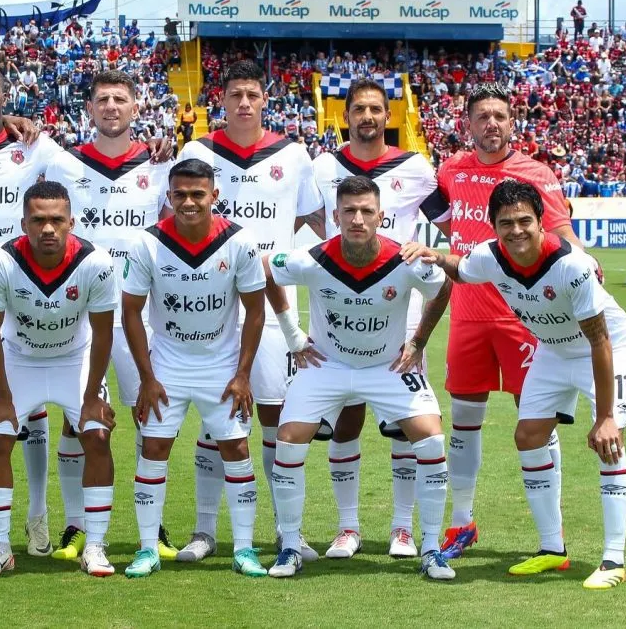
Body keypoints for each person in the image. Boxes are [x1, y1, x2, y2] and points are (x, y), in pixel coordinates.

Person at [0, 63, 171, 558]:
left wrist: (13, 121)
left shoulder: (49, 150)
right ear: (88, 109)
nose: (111, 109)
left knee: (122, 413)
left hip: (99, 301)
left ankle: (58, 517)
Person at [404, 179, 626, 590]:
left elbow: (599, 340)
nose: (516, 231)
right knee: (528, 436)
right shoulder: (490, 257)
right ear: (493, 226)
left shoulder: (572, 265)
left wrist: (604, 417)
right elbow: (462, 269)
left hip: (606, 350)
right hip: (553, 350)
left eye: (524, 221)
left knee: (609, 439)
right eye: (506, 223)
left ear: (541, 221)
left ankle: (613, 559)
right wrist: (436, 256)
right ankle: (552, 551)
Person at [263, 175, 456, 581]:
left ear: (381, 216)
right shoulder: (312, 258)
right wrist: (294, 336)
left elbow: (442, 288)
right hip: (327, 366)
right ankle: (290, 546)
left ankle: (433, 549)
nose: (357, 218)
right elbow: (268, 269)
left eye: (366, 211)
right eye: (349, 211)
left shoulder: (404, 261)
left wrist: (418, 341)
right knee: (288, 439)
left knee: (433, 438)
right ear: (335, 216)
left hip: (387, 367)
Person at [175, 60, 324, 564]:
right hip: (212, 302)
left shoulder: (293, 154)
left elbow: (309, 216)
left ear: (265, 100)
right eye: (235, 94)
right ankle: (204, 530)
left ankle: (288, 531)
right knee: (214, 415)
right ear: (222, 100)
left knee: (276, 413)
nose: (243, 102)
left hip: (274, 302)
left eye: (252, 94)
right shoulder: (197, 151)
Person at [432, 82, 581, 561]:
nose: (491, 124)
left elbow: (562, 235)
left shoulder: (536, 174)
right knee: (463, 422)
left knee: (537, 424)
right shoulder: (451, 169)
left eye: (499, 115)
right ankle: (461, 522)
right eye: (482, 116)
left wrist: (585, 268)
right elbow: (441, 216)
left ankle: (551, 538)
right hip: (469, 314)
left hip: (526, 319)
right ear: (468, 123)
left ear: (511, 122)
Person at [310, 78, 448, 559]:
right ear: (343, 115)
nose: (367, 116)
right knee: (346, 420)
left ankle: (403, 528)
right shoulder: (323, 166)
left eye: (375, 109)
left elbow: (451, 223)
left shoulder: (415, 167)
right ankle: (347, 528)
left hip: (401, 316)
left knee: (405, 425)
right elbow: (309, 220)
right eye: (358, 109)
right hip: (337, 314)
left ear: (388, 116)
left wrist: (435, 253)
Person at [44, 70, 175, 562]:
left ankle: (152, 525)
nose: (112, 107)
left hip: (142, 314)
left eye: (121, 99)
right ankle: (76, 526)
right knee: (78, 423)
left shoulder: (161, 163)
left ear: (136, 107)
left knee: (150, 417)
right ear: (90, 108)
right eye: (103, 99)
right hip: (82, 313)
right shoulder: (66, 164)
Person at [121, 158, 267, 578]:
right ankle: (148, 549)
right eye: (180, 194)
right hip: (167, 365)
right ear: (168, 197)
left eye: (197, 194)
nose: (188, 202)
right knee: (153, 449)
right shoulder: (146, 243)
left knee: (237, 450)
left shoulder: (239, 242)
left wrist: (242, 374)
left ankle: (244, 549)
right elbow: (131, 312)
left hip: (221, 366)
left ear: (214, 196)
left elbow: (255, 312)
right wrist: (147, 378)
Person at [0, 181, 118, 577]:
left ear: (72, 221)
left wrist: (92, 397)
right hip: (20, 360)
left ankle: (96, 546)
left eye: (57, 220)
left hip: (75, 359)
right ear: (24, 223)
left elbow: (104, 333)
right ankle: (0, 547)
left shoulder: (95, 263)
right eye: (38, 220)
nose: (48, 229)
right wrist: (2, 396)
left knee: (97, 435)